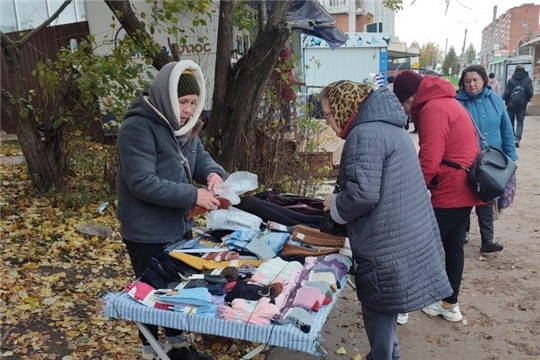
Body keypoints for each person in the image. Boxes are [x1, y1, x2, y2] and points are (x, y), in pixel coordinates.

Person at [320, 80, 452, 360]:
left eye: (328, 114)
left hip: (386, 244)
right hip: (403, 235)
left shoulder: (364, 133)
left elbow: (363, 195)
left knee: (379, 313)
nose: (328, 122)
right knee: (386, 316)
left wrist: (335, 205)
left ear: (344, 107)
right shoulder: (386, 125)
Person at [116, 60, 227, 360]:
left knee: (176, 289)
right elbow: (142, 182)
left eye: (193, 102)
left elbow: (201, 158)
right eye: (183, 102)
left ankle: (177, 346)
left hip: (178, 226)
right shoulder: (136, 128)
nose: (189, 110)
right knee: (150, 295)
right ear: (166, 97)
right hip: (146, 231)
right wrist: (194, 194)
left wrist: (213, 174)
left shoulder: (184, 127)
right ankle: (150, 349)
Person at [393, 70, 484, 323]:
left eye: (404, 104)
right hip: (466, 185)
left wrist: (412, 192)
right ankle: (449, 304)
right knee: (453, 246)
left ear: (412, 96)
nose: (406, 110)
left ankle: (401, 306)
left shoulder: (433, 108)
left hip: (449, 188)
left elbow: (429, 159)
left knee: (417, 245)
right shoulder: (448, 101)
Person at [456, 65, 518, 253]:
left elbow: (506, 129)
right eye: (467, 81)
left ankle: (488, 239)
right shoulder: (457, 102)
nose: (471, 84)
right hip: (466, 158)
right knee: (465, 195)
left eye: (475, 80)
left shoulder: (496, 101)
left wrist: (510, 158)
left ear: (484, 80)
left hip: (492, 159)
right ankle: (463, 231)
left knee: (487, 197)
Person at [502, 64, 534, 148]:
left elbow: (506, 93)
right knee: (520, 122)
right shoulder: (528, 80)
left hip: (511, 105)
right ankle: (517, 138)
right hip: (522, 105)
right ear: (524, 70)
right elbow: (530, 93)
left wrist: (506, 101)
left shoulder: (511, 80)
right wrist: (526, 99)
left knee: (510, 122)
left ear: (515, 70)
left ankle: (512, 138)